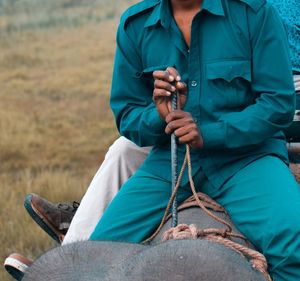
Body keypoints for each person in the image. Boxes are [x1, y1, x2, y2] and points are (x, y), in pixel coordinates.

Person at [4, 0, 300, 280]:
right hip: (167, 165)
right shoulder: (136, 24)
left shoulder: (254, 14)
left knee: (294, 239)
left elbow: (278, 103)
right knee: (91, 256)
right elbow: (127, 114)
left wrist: (208, 132)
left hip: (246, 160)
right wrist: (159, 116)